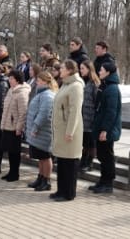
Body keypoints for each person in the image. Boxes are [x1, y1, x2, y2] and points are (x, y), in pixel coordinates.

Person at [50, 60, 84, 201]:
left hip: (70, 131)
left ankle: (69, 193)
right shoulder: (65, 84)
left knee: (70, 163)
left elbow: (74, 110)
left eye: (63, 67)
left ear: (70, 70)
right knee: (62, 162)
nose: (60, 69)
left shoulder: (76, 86)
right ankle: (60, 190)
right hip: (61, 129)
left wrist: (70, 131)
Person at [89, 62, 122, 194]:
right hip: (101, 126)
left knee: (107, 156)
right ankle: (103, 181)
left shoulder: (112, 89)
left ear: (108, 72)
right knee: (102, 155)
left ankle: (108, 183)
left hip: (107, 129)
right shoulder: (105, 85)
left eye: (101, 70)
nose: (99, 71)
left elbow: (111, 112)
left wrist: (105, 130)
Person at [25, 71, 57, 191]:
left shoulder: (48, 95)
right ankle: (40, 178)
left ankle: (46, 180)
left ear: (44, 81)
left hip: (43, 131)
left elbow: (44, 114)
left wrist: (36, 127)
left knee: (45, 157)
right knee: (40, 157)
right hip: (38, 132)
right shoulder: (41, 94)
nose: (37, 82)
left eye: (38, 80)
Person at [0, 70, 30, 182]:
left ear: (17, 79)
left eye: (11, 78)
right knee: (9, 151)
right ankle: (10, 172)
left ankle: (15, 173)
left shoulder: (22, 93)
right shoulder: (10, 91)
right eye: (9, 78)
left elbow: (23, 113)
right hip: (7, 125)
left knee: (14, 152)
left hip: (14, 127)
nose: (9, 80)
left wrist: (19, 127)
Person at [79, 60, 100, 172]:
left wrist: (95, 118)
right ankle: (83, 160)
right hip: (83, 117)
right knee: (85, 141)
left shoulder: (94, 83)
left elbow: (97, 102)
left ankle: (89, 162)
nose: (80, 70)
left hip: (91, 118)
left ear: (89, 69)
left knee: (90, 142)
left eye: (83, 68)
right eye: (80, 68)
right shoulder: (83, 82)